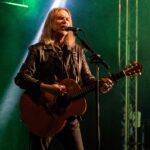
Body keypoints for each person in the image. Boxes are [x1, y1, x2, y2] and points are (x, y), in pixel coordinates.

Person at [15, 7, 113, 150]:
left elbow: (88, 79)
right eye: (60, 18)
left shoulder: (78, 51)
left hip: (69, 116)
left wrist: (101, 85)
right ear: (50, 23)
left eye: (67, 19)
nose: (65, 21)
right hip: (44, 112)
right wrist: (48, 88)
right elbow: (21, 78)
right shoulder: (38, 50)